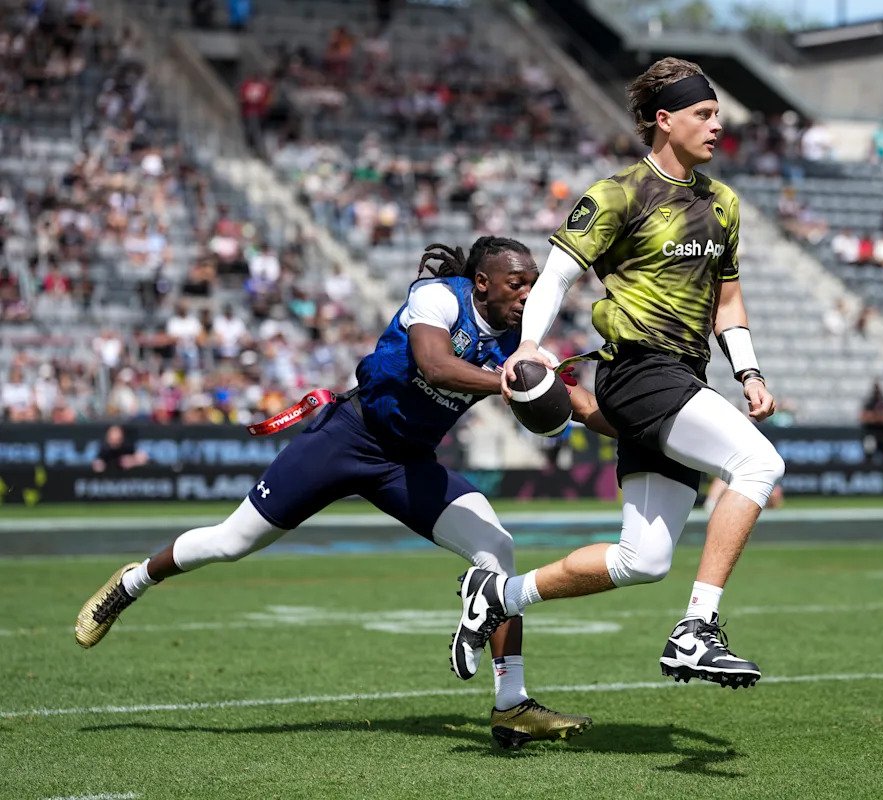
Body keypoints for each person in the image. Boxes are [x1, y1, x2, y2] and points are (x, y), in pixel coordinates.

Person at [75, 238, 607, 749]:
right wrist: (510, 384)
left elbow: (567, 398)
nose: (527, 294)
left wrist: (638, 424)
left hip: (406, 463)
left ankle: (510, 705)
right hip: (348, 437)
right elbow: (434, 364)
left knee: (499, 548)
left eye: (534, 285)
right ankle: (133, 582)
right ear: (483, 282)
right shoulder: (439, 296)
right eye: (518, 284)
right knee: (231, 541)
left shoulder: (521, 339)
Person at [447, 58, 784, 691]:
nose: (717, 126)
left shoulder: (724, 204)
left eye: (717, 115)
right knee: (760, 465)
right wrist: (527, 347)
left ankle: (498, 594)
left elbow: (727, 300)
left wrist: (749, 371)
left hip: (685, 376)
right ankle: (696, 630)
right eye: (703, 114)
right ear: (665, 120)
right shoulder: (618, 194)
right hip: (639, 373)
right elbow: (555, 277)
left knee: (644, 560)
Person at [860, 380, 883, 465]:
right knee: (868, 457)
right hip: (871, 433)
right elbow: (864, 417)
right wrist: (878, 417)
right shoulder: (868, 402)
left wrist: (874, 416)